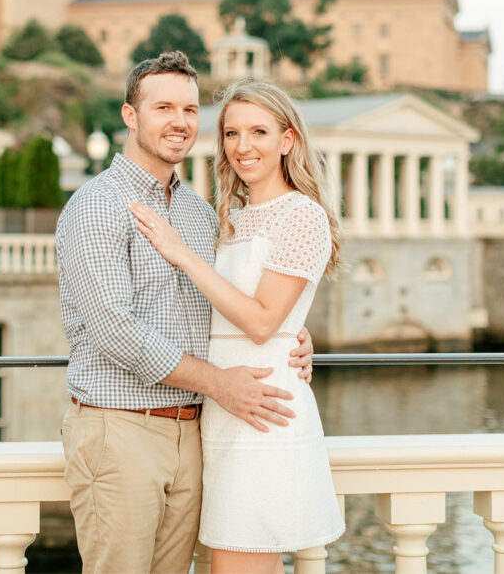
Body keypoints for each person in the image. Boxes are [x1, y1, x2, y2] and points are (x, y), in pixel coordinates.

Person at [56, 51, 315, 573]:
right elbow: (116, 330)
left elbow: (229, 304)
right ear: (131, 116)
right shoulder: (97, 205)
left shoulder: (201, 214)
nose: (179, 122)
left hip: (197, 432)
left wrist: (292, 333)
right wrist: (222, 383)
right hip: (120, 429)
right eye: (163, 107)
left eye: (191, 110)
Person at [128, 79, 345, 572]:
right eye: (231, 133)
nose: (243, 146)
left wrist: (181, 254)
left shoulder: (303, 215)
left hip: (262, 412)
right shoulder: (230, 217)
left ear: (287, 141)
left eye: (259, 132)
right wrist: (298, 330)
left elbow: (264, 321)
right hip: (221, 410)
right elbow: (230, 310)